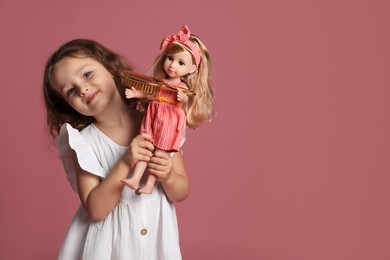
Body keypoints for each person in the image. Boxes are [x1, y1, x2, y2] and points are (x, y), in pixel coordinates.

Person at [42, 38, 189, 259]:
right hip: (109, 249)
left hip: (156, 247)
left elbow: (181, 191)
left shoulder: (159, 121)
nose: (83, 89)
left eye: (87, 74)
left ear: (110, 67)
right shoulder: (84, 143)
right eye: (71, 90)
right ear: (67, 104)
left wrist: (167, 175)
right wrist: (124, 162)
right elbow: (96, 208)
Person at [121, 25, 215, 195]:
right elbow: (153, 92)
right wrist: (137, 92)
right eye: (170, 58)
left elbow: (183, 101)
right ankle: (135, 179)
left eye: (181, 63)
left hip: (168, 121)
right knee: (146, 147)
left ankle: (149, 184)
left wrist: (183, 99)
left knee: (158, 155)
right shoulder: (161, 82)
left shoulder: (181, 87)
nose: (172, 65)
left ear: (192, 69)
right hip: (153, 117)